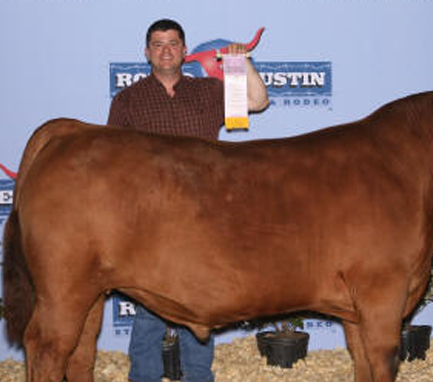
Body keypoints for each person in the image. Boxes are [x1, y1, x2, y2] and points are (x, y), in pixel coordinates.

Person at [108, 18, 269, 382]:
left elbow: (258, 102)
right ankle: (144, 377)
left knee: (198, 306)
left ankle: (199, 377)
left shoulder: (209, 92)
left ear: (184, 51)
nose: (165, 50)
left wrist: (241, 61)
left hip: (204, 217)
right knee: (150, 307)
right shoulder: (127, 100)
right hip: (151, 221)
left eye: (173, 43)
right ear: (147, 52)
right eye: (158, 43)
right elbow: (112, 163)